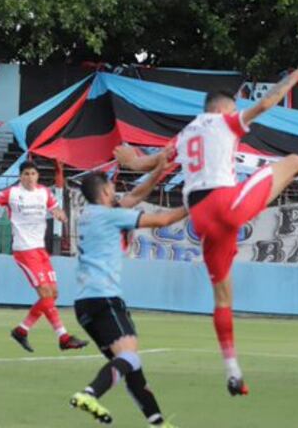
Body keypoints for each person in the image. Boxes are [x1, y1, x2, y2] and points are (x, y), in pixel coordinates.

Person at [117, 59, 298, 396]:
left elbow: (148, 165)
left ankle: (233, 373)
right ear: (225, 108)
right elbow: (265, 103)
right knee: (293, 162)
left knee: (222, 298)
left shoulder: (184, 136)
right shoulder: (224, 122)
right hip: (225, 204)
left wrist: (129, 160)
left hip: (200, 218)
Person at [69, 169, 184, 427]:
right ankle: (89, 394)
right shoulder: (111, 216)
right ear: (106, 191)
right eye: (112, 186)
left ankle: (157, 422)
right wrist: (194, 204)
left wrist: (159, 171)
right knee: (130, 357)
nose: (116, 190)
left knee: (128, 364)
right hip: (105, 298)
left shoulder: (87, 215)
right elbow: (163, 220)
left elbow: (134, 195)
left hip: (84, 303)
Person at [0, 160, 87, 352]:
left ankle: (22, 330)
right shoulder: (12, 194)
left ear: (38, 176)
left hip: (40, 249)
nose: (30, 177)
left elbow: (56, 208)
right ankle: (63, 337)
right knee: (45, 294)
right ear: (20, 176)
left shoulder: (44, 192)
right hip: (24, 250)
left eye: (33, 174)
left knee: (53, 294)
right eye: (26, 174)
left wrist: (60, 214)